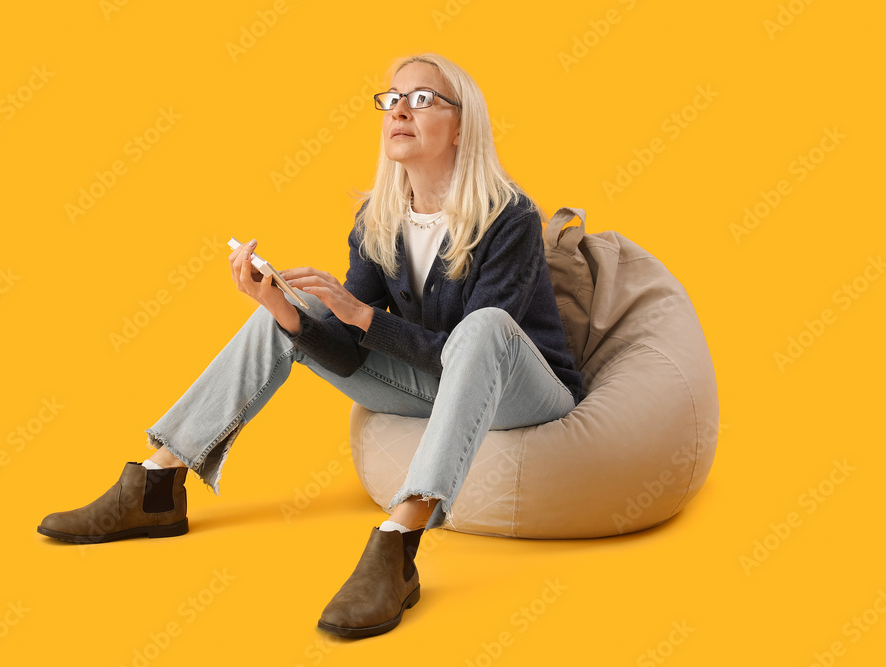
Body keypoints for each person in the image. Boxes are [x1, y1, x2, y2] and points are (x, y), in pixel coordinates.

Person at [37, 52, 584, 639]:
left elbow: (463, 349)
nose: (399, 109)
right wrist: (281, 310)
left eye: (422, 98)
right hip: (440, 384)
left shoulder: (510, 216)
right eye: (391, 98)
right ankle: (156, 483)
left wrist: (362, 315)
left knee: (482, 328)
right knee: (291, 310)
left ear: (461, 125)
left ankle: (399, 542)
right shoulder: (376, 219)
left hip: (525, 391)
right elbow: (348, 353)